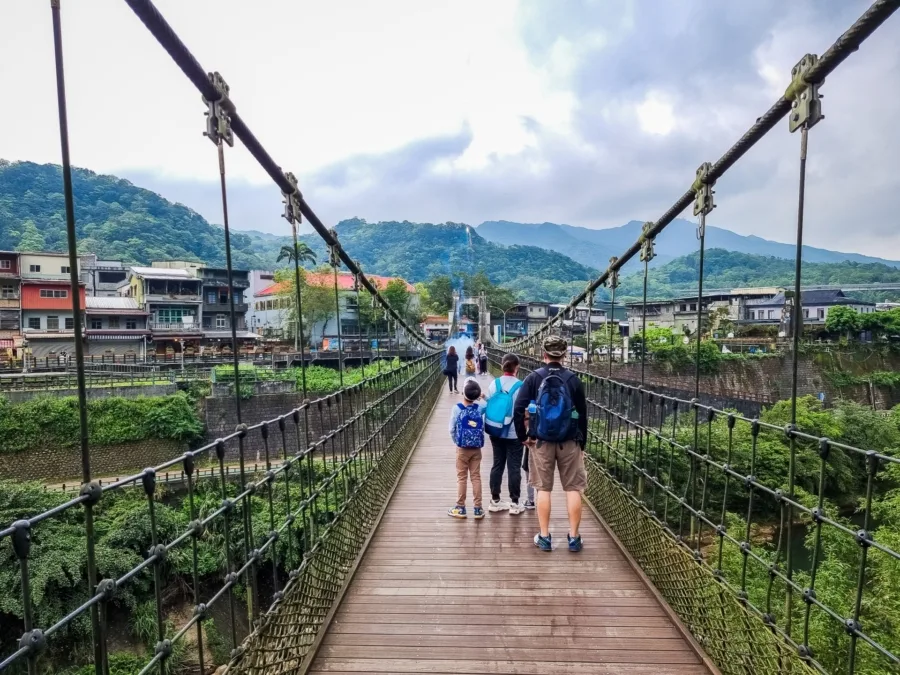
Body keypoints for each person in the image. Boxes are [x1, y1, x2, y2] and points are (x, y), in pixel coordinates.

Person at [513, 335, 588, 552]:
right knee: (573, 488)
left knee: (543, 489)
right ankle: (574, 538)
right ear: (564, 355)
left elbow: (518, 409)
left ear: (543, 354)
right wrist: (582, 445)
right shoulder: (573, 379)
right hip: (570, 441)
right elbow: (582, 415)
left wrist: (523, 437)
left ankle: (544, 537)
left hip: (541, 440)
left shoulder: (533, 378)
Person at [485, 354, 525, 514]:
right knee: (514, 467)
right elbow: (525, 411)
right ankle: (515, 503)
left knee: (497, 464)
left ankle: (495, 501)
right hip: (514, 433)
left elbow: (489, 405)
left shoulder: (493, 384)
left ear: (502, 366)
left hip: (496, 431)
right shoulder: (521, 386)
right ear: (517, 367)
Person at [448, 379, 486, 519]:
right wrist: (483, 397)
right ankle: (477, 509)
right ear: (476, 396)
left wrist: (457, 442)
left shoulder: (457, 408)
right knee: (476, 477)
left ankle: (460, 507)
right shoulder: (479, 408)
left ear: (463, 393)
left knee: (462, 477)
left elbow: (451, 429)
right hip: (476, 448)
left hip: (462, 448)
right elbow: (487, 405)